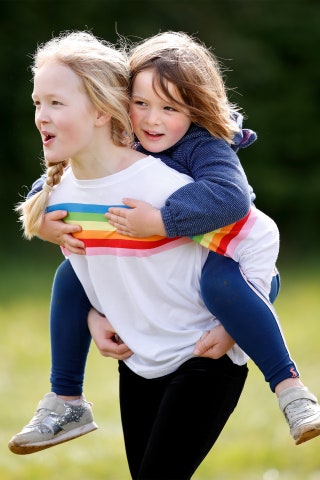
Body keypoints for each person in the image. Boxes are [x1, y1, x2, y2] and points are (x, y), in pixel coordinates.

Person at [10, 30, 320, 456]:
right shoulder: (125, 145)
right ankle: (65, 398)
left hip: (229, 262)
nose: (152, 119)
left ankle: (290, 388)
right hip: (143, 352)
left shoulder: (206, 147)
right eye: (141, 104)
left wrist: (161, 220)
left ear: (195, 110)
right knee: (68, 277)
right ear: (123, 104)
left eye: (169, 107)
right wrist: (42, 221)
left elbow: (239, 213)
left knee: (221, 285)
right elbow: (55, 185)